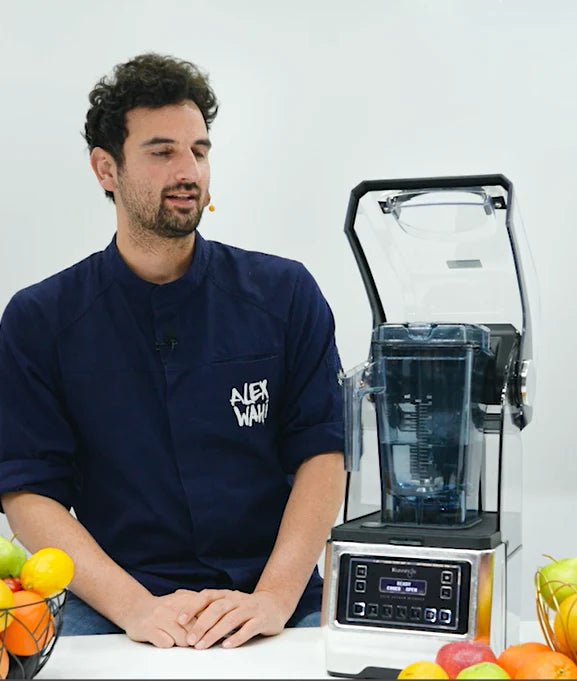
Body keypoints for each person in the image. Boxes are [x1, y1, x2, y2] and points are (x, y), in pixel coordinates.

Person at [0, 53, 345, 650]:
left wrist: (273, 597)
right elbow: (29, 491)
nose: (189, 171)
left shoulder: (285, 294)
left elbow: (323, 452)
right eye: (162, 152)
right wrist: (136, 609)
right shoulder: (40, 319)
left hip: (275, 595)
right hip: (113, 602)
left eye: (199, 151)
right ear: (106, 168)